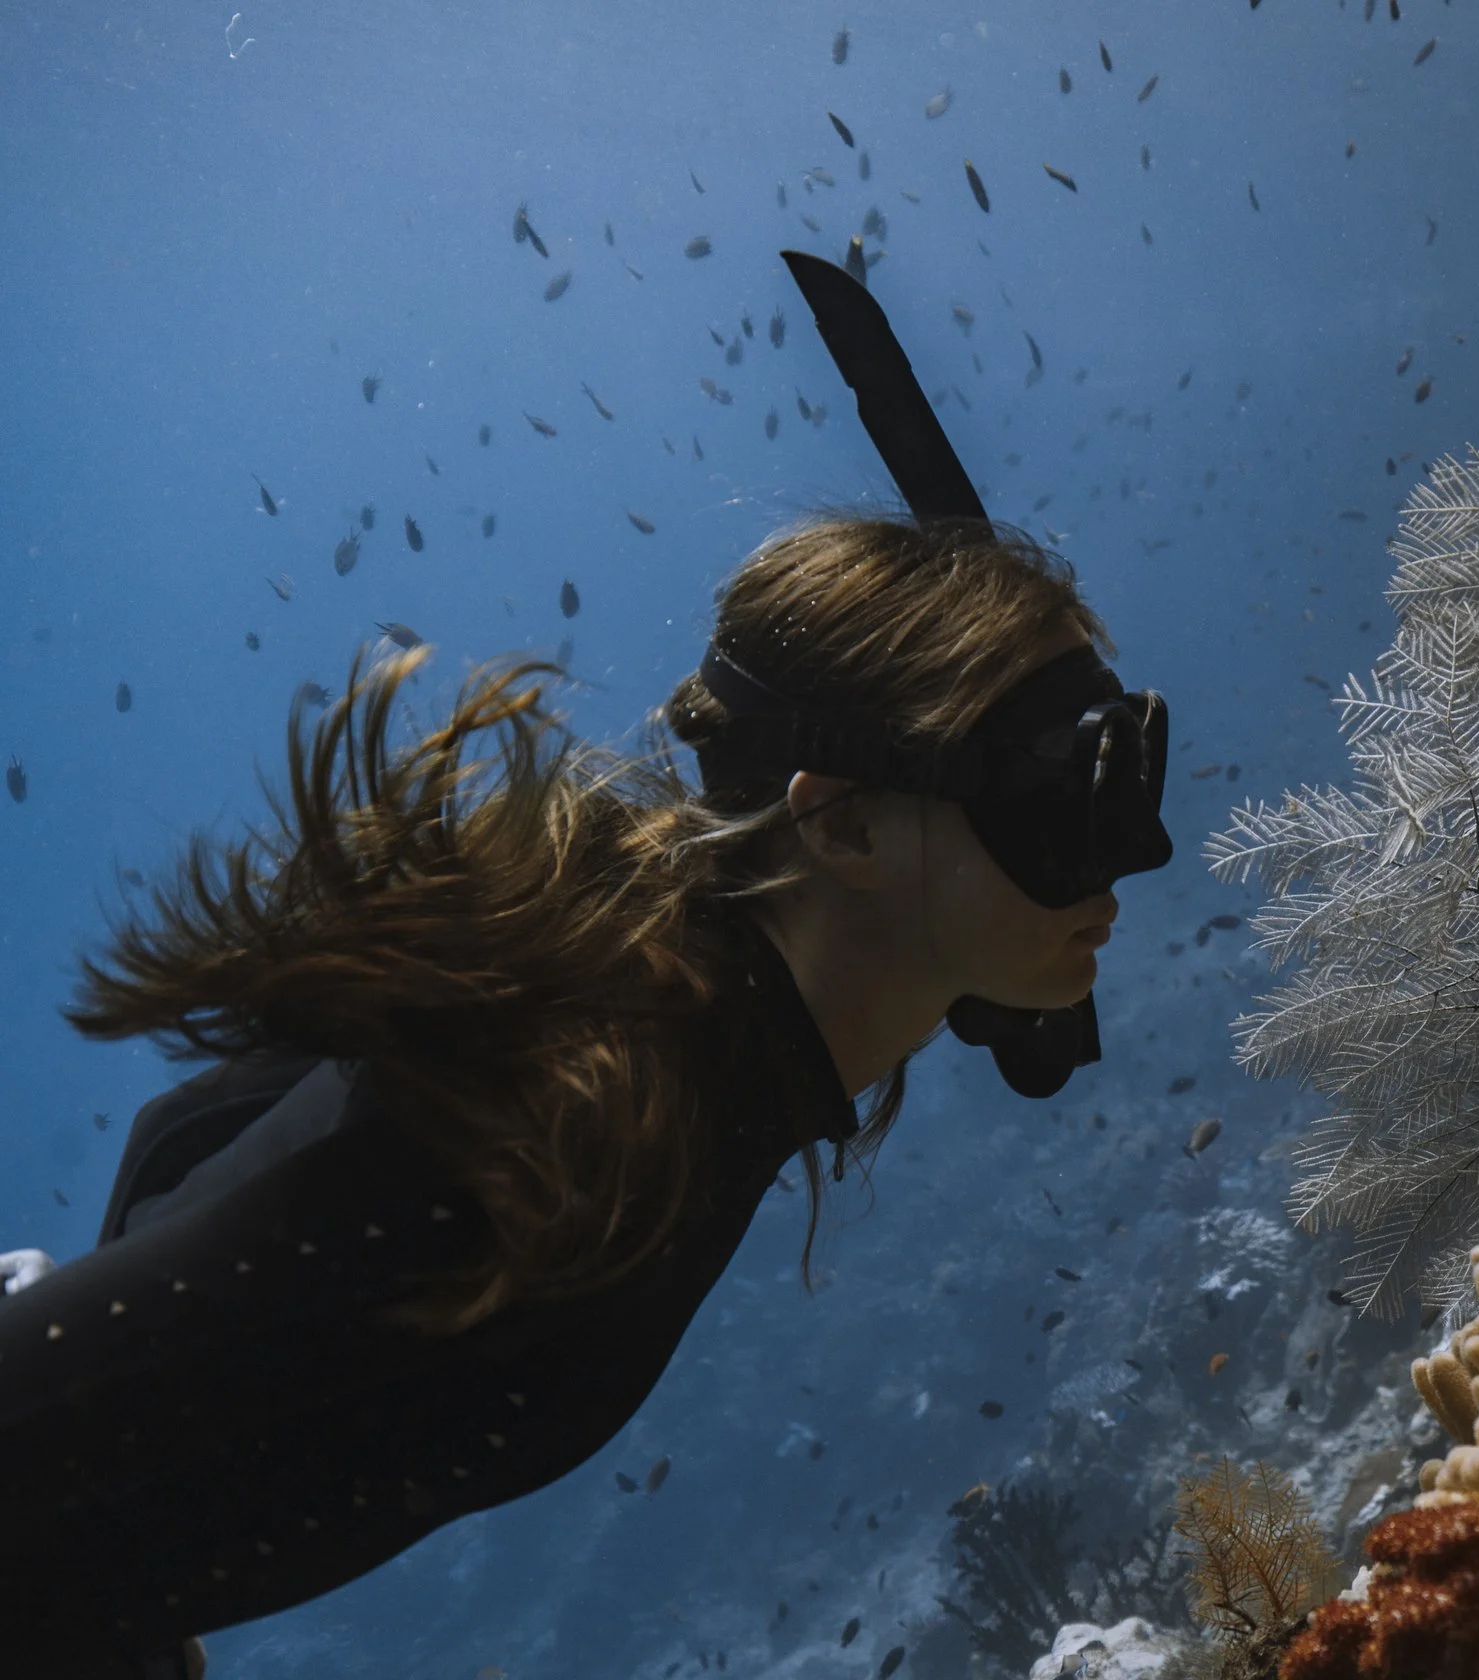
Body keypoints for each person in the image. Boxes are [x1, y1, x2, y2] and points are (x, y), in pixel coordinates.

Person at [0, 513, 1172, 1675]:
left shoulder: (653, 1056)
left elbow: (186, 1141)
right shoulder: (576, 1123)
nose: (1142, 844)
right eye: (1068, 785)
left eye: (1128, 761)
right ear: (843, 821)